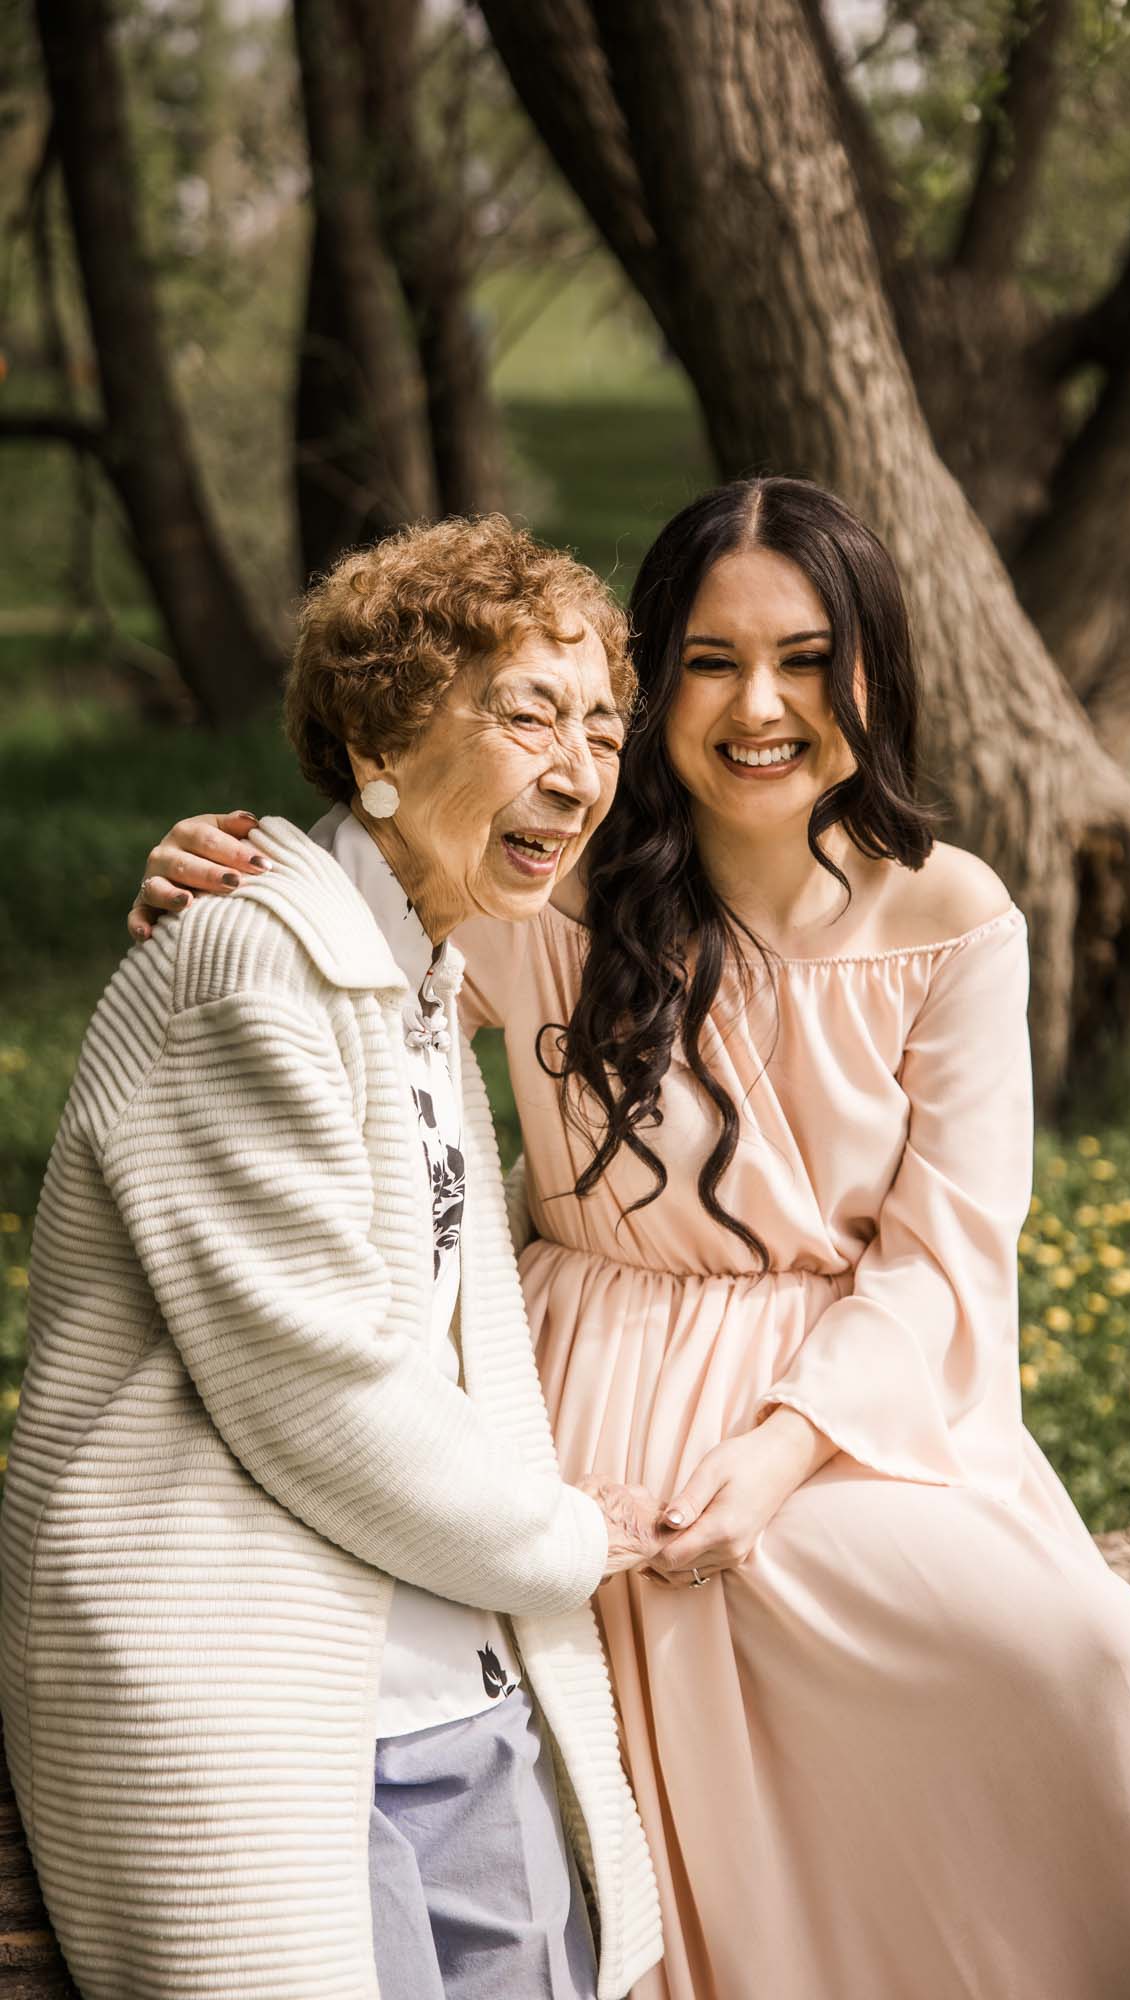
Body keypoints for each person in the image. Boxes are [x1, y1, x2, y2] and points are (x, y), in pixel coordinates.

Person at [133, 477, 1130, 2000]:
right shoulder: (545, 883)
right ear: (652, 684)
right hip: (582, 1383)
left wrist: (775, 1452)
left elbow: (945, 1255)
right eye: (707, 661)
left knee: (1073, 1657)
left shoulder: (948, 912)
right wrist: (228, 867)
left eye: (803, 656)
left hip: (849, 1404)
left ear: (872, 673)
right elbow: (357, 927)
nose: (757, 704)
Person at [3, 515, 665, 2000]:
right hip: (274, 1707)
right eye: (527, 714)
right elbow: (320, 1385)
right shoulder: (254, 959)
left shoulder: (429, 974)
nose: (576, 768)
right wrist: (565, 1537)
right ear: (380, 731)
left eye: (603, 728)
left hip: (455, 1683)